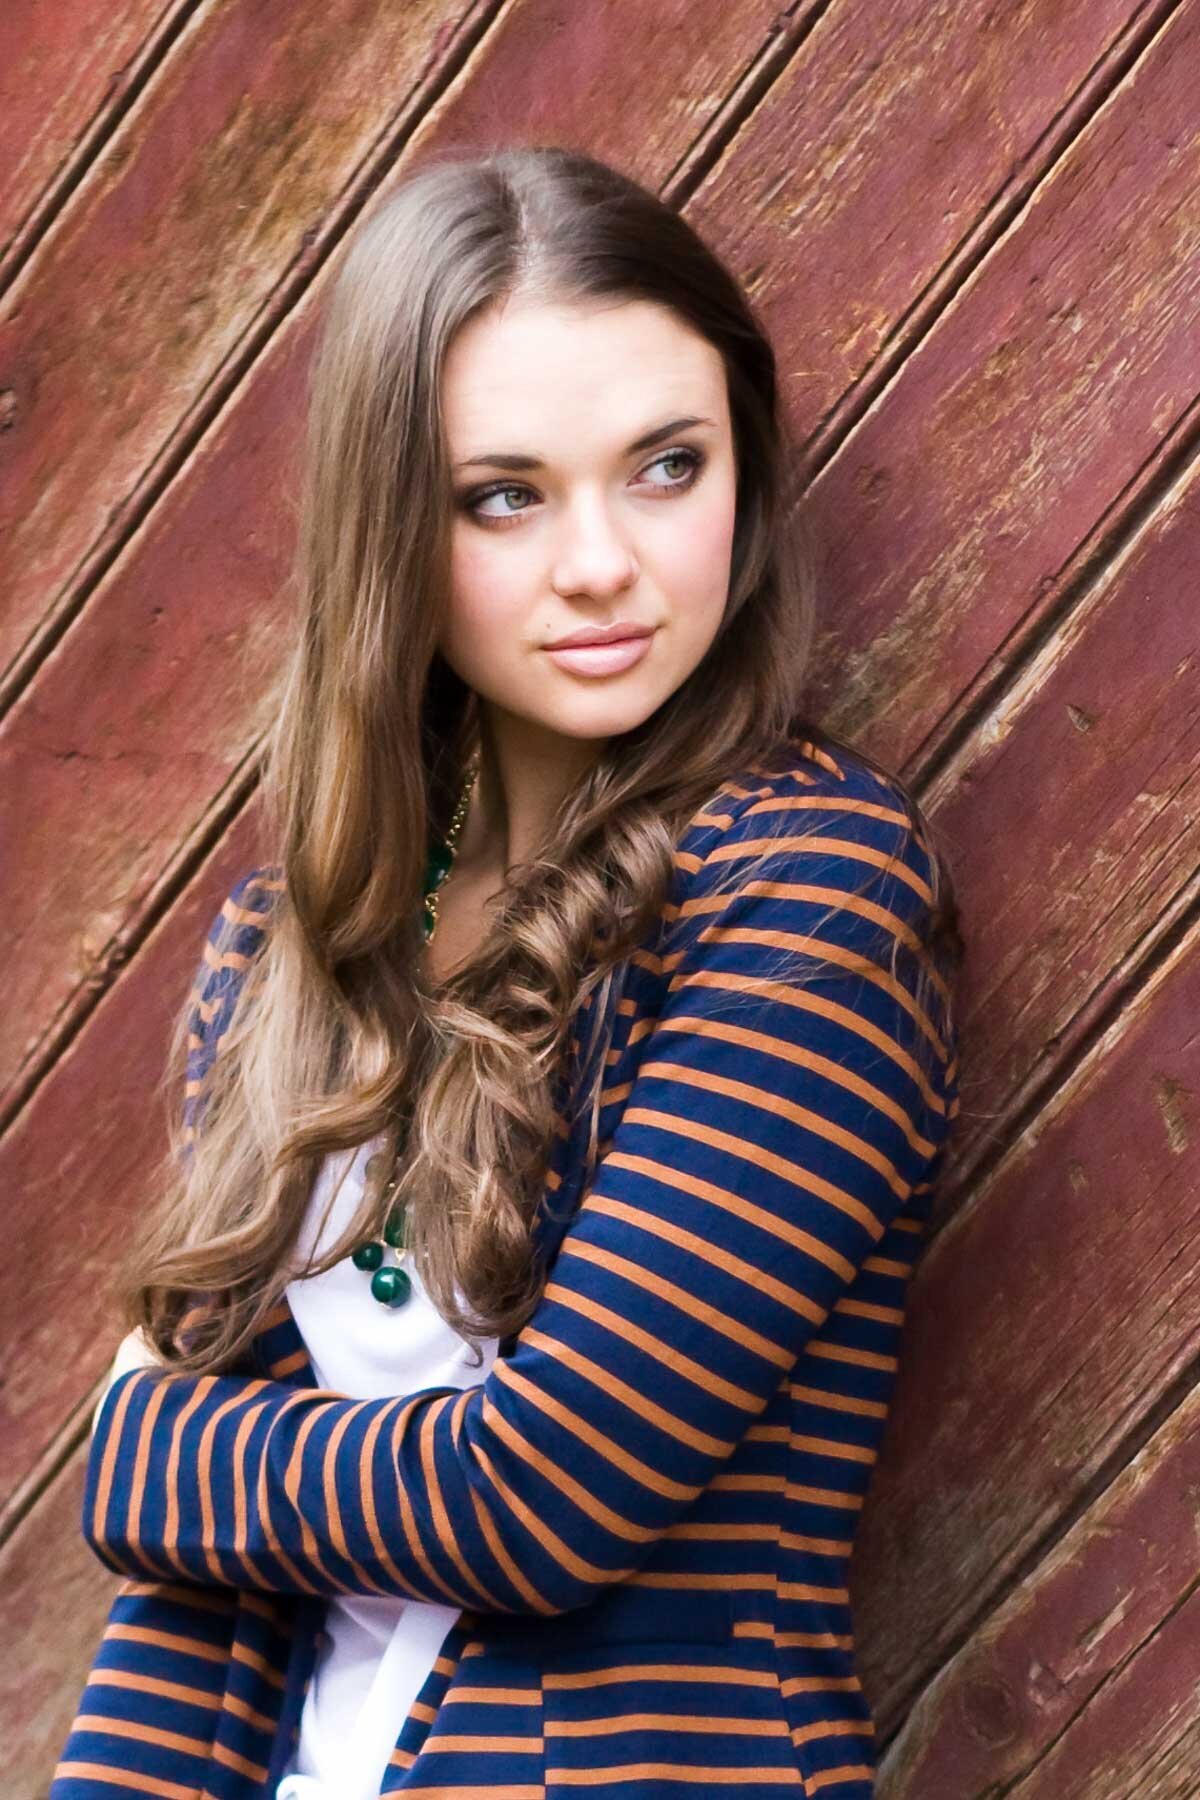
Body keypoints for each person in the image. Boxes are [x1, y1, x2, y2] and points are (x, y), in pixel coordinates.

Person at [52, 144, 962, 1800]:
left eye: (666, 468)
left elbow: (547, 1494)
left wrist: (144, 1453)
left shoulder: (810, 899)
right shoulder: (287, 949)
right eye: (506, 495)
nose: (603, 560)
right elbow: (203, 1617)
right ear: (393, 524)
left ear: (744, 471)